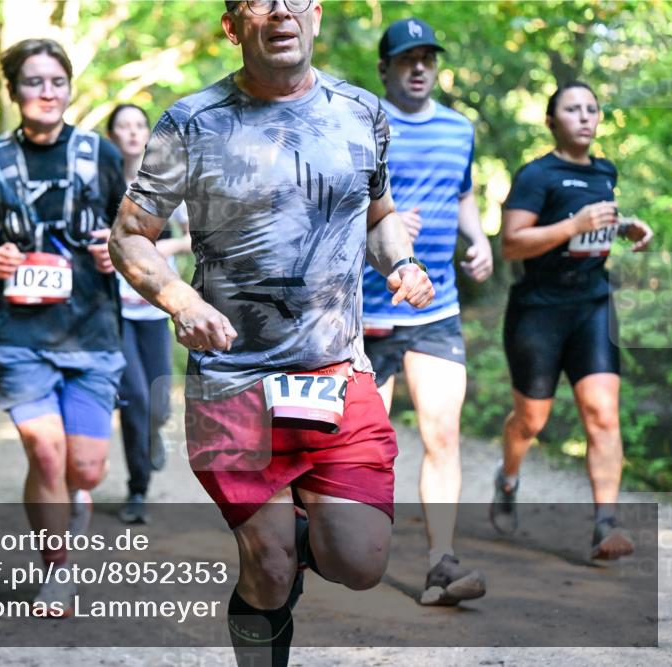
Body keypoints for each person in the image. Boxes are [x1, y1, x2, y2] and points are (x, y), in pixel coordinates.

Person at [109, 2, 434, 665]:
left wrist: (401, 262)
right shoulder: (190, 122)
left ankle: (297, 538)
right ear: (233, 25)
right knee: (268, 563)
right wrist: (179, 299)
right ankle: (276, 558)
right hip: (232, 380)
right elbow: (129, 235)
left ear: (315, 15)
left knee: (361, 561)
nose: (281, 9)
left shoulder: (362, 113)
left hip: (336, 376)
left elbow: (378, 216)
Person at [0, 38, 127, 615]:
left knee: (86, 469)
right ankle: (56, 571)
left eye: (57, 81)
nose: (47, 92)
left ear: (69, 88)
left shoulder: (100, 154)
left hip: (92, 331)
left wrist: (115, 251)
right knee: (46, 454)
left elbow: (133, 231)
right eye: (34, 81)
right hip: (19, 335)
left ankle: (76, 501)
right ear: (13, 90)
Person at [360, 18, 492, 605]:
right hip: (369, 309)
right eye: (406, 58)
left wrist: (478, 238)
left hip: (437, 307)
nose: (419, 68)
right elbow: (333, 206)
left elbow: (463, 193)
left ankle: (441, 563)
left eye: (427, 58)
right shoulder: (365, 127)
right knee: (366, 445)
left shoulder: (458, 128)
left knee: (443, 432)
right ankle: (340, 550)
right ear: (385, 68)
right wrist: (385, 227)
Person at [492, 81, 653, 560]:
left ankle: (606, 525)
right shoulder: (536, 175)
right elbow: (511, 244)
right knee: (531, 420)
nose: (584, 116)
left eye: (591, 109)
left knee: (603, 413)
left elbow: (593, 224)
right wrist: (573, 226)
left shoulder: (605, 171)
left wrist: (624, 227)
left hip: (592, 304)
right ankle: (508, 477)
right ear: (551, 121)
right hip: (539, 309)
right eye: (572, 109)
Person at [106, 103, 192, 524]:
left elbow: (193, 237)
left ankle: (154, 432)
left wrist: (159, 247)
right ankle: (137, 488)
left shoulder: (164, 182)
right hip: (116, 310)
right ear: (112, 136)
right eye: (123, 126)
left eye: (139, 125)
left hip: (157, 305)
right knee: (134, 399)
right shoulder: (104, 183)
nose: (132, 132)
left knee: (157, 405)